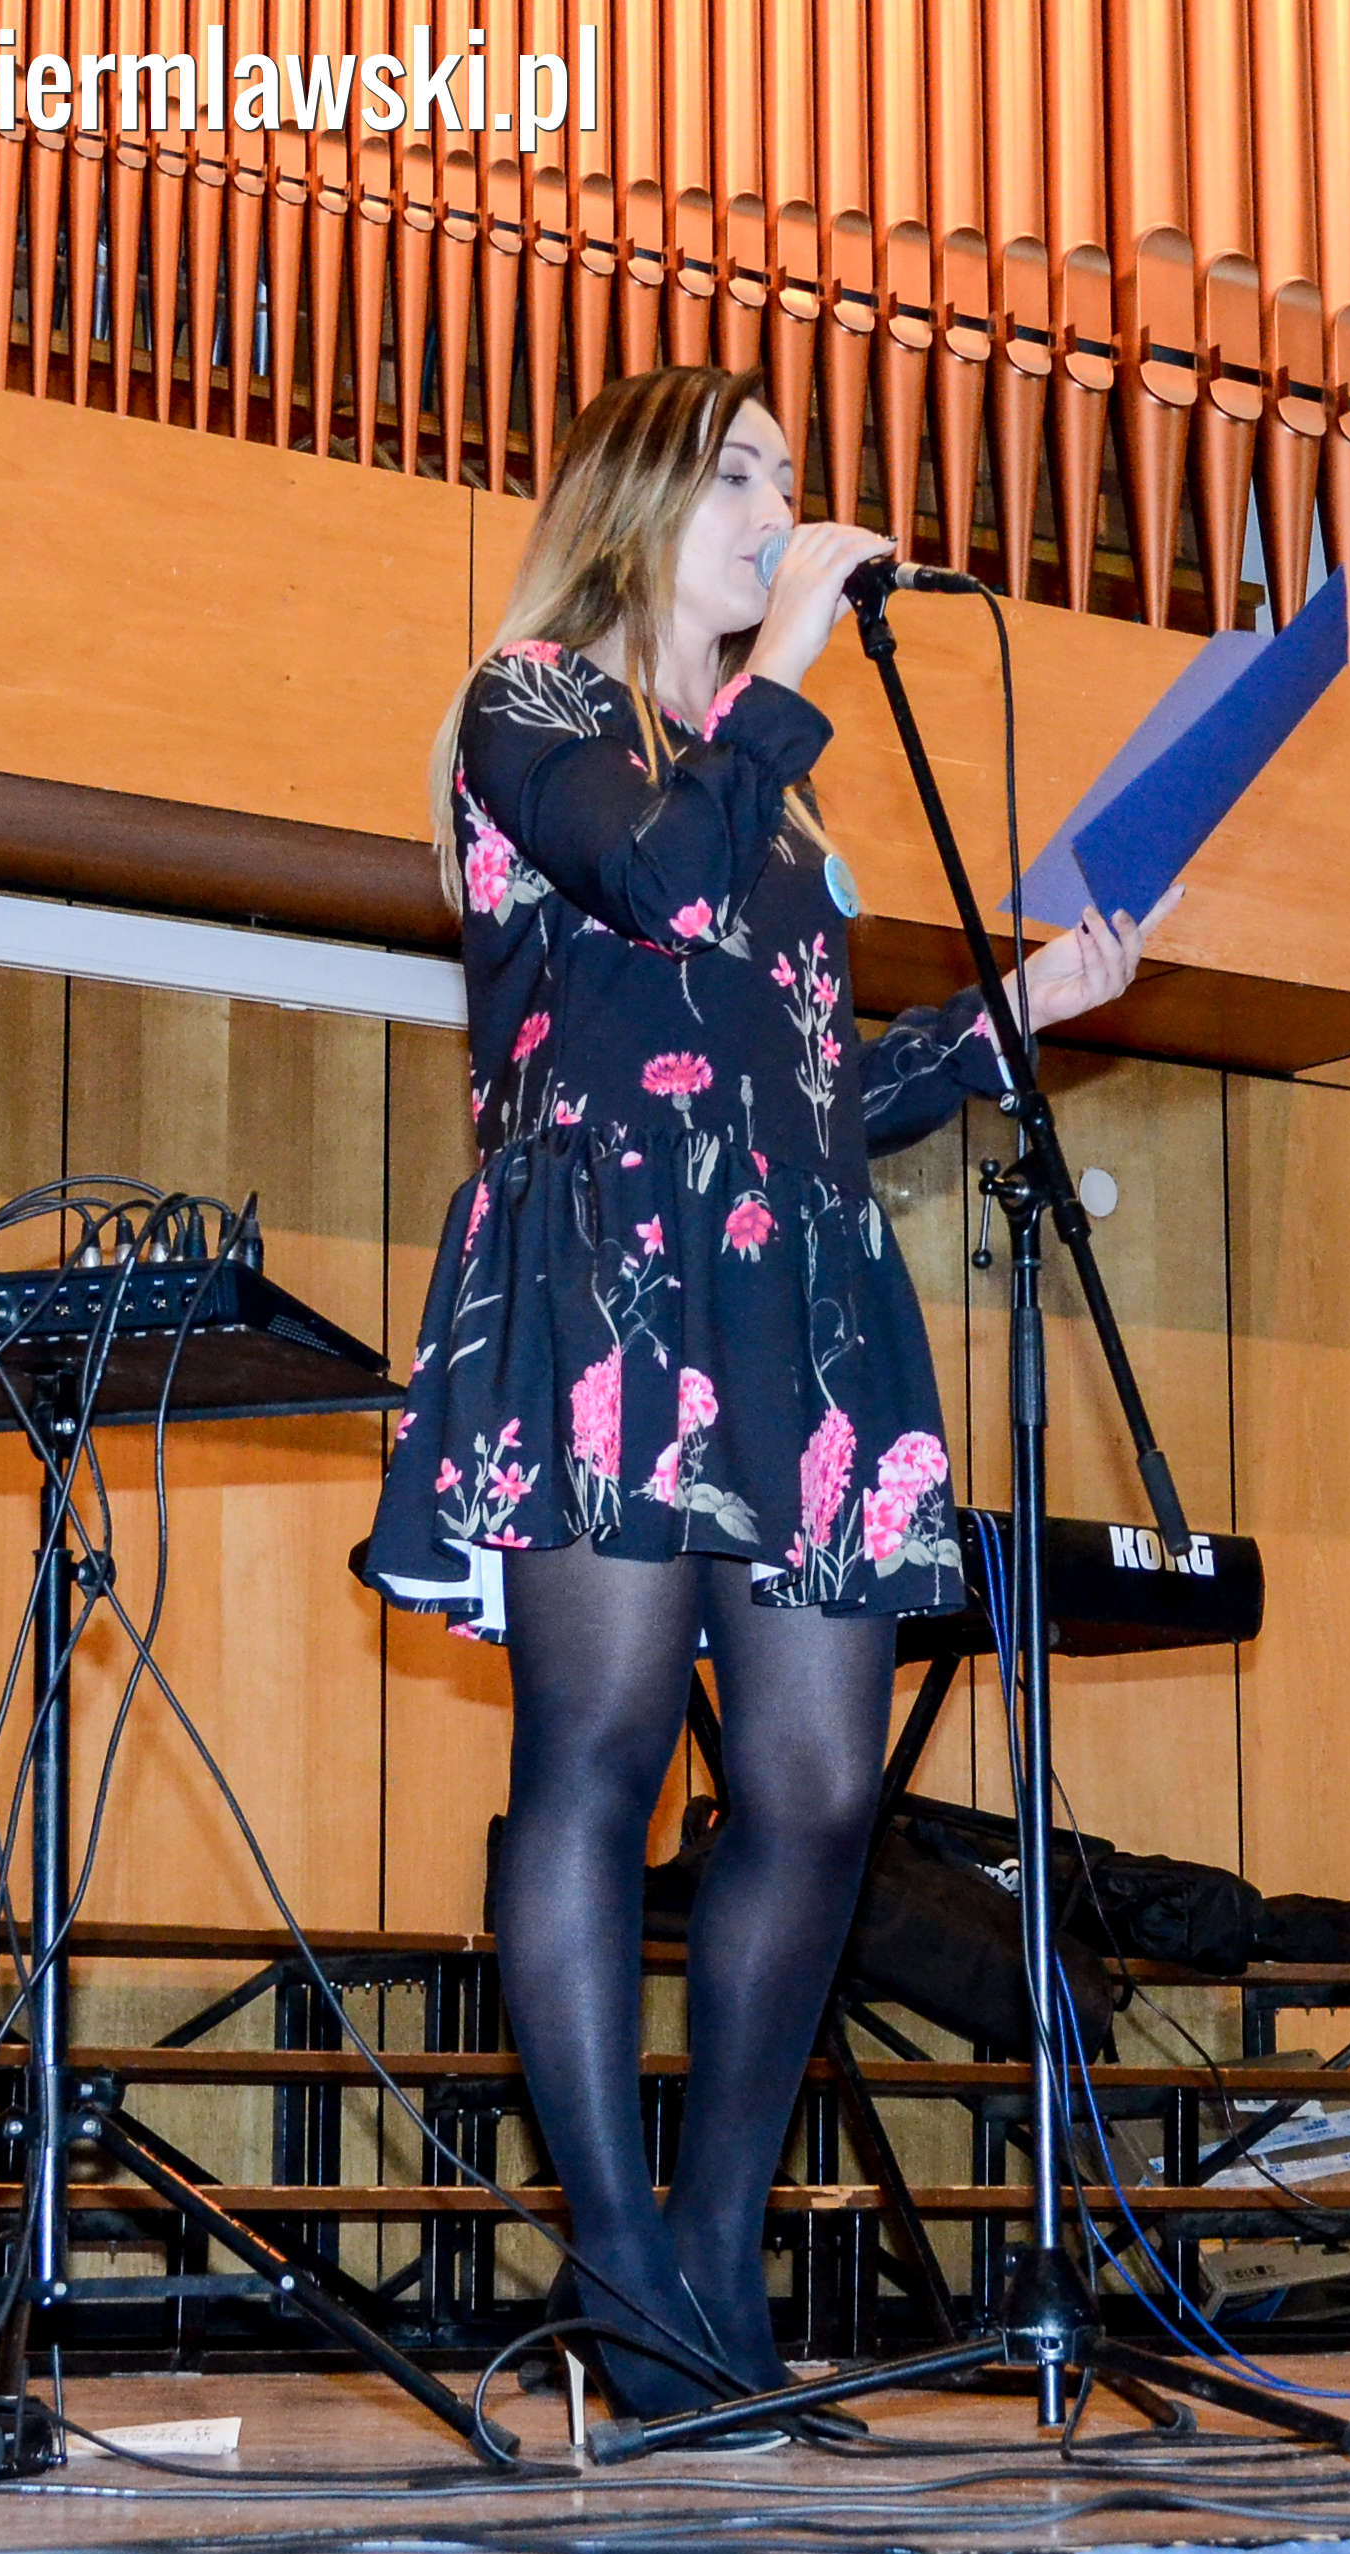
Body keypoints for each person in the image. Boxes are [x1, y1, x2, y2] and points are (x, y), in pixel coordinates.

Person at [361, 364, 1174, 2418]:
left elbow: (811, 1087)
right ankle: (618, 2259)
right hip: (606, 1282)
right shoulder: (528, 704)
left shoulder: (774, 803)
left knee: (815, 1788)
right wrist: (787, 673)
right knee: (602, 1753)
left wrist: (1011, 1018)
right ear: (636, 496)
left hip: (792, 1298)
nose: (783, 511)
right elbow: (656, 886)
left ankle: (714, 2253)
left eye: (791, 480)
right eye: (741, 474)